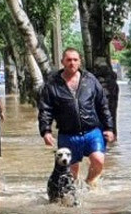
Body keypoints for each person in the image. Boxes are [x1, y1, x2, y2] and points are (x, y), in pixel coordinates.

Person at [38, 48, 115, 188]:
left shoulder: (90, 80)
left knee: (98, 160)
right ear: (62, 62)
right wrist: (46, 131)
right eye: (68, 60)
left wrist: (109, 128)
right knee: (70, 174)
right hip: (68, 134)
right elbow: (45, 109)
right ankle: (74, 197)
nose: (72, 63)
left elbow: (102, 105)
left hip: (92, 131)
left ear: (80, 62)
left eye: (75, 60)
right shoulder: (52, 84)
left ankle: (89, 183)